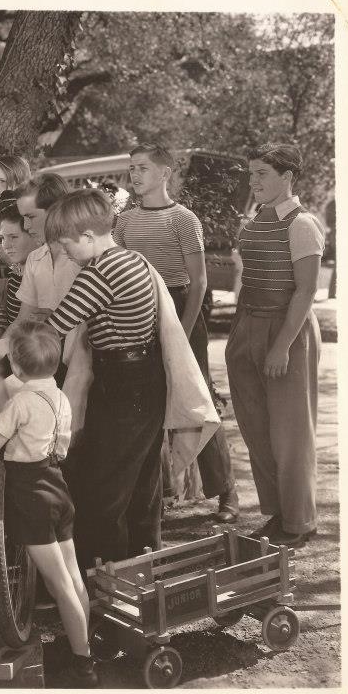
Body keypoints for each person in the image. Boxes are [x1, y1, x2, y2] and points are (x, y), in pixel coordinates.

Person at [0, 322, 97, 688]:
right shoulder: (59, 398)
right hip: (57, 487)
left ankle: (84, 665)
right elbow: (59, 445)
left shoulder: (21, 401)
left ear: (18, 369)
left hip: (30, 494)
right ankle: (83, 649)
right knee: (72, 578)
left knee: (60, 585)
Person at [115, 143, 239, 522]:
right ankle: (159, 494)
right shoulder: (124, 222)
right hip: (139, 311)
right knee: (146, 401)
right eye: (132, 168)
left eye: (143, 168)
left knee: (197, 399)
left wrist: (181, 334)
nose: (135, 174)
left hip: (181, 309)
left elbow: (199, 283)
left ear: (164, 173)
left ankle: (227, 493)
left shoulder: (184, 219)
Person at [44, 189, 165, 569]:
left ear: (88, 237)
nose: (64, 252)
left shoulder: (99, 273)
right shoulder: (133, 260)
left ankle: (105, 588)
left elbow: (50, 331)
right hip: (145, 376)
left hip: (122, 382)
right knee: (140, 485)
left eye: (67, 244)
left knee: (103, 490)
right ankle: (144, 571)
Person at [225, 143, 323, 547]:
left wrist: (281, 346)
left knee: (290, 432)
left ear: (288, 177)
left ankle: (299, 521)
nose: (254, 182)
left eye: (262, 173)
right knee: (257, 429)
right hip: (247, 325)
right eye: (252, 174)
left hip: (287, 331)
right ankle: (278, 513)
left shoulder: (302, 224)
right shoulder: (255, 219)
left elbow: (305, 291)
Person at [11, 174, 81, 329]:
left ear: (56, 210)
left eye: (30, 217)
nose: (26, 226)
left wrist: (55, 320)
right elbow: (21, 323)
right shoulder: (35, 258)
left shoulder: (83, 258)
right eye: (23, 218)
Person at [0, 204, 40, 325]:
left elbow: (20, 327)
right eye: (2, 238)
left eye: (13, 237)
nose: (6, 245)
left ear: (34, 234)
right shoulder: (15, 272)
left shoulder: (40, 277)